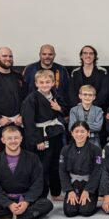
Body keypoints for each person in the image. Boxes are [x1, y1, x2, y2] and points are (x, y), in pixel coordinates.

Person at [0, 126, 53, 219]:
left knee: (46, 204)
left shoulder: (33, 158)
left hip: (26, 199)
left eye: (16, 138)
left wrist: (26, 202)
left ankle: (9, 216)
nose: (13, 141)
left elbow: (38, 183)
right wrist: (9, 204)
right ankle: (22, 215)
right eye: (9, 138)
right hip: (5, 200)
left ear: (21, 139)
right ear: (3, 140)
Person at [21, 69, 67, 200]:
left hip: (54, 134)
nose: (45, 84)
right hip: (41, 136)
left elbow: (64, 109)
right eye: (41, 82)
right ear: (36, 83)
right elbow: (28, 122)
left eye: (48, 82)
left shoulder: (55, 95)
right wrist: (37, 140)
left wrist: (60, 109)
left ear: (53, 83)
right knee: (43, 166)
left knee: (55, 164)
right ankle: (41, 195)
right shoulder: (32, 99)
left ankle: (56, 192)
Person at [59, 121, 102, 217]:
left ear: (88, 133)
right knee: (70, 212)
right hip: (73, 184)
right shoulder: (65, 150)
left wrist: (88, 191)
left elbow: (97, 172)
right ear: (72, 133)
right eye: (76, 131)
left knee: (85, 211)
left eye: (82, 131)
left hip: (89, 184)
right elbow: (62, 171)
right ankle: (73, 195)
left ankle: (91, 197)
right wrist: (69, 191)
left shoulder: (96, 150)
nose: (79, 134)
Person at [69, 45, 109, 110]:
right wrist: (81, 106)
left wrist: (92, 106)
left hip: (97, 109)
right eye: (85, 53)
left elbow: (104, 93)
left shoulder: (102, 72)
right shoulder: (75, 73)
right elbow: (72, 93)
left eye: (91, 53)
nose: (88, 55)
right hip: (78, 109)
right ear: (81, 56)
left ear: (95, 56)